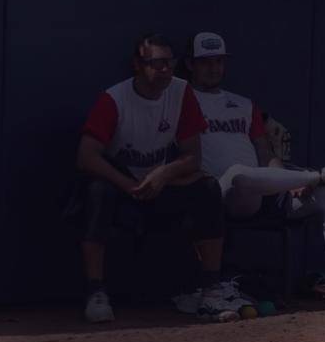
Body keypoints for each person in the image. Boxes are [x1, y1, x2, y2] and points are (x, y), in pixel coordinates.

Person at [184, 32, 325, 307]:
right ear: (190, 64)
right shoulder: (181, 100)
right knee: (238, 174)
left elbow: (265, 153)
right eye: (205, 62)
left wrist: (287, 181)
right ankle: (318, 175)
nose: (213, 68)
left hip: (265, 190)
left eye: (219, 61)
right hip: (222, 194)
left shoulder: (243, 104)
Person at [76, 33, 238, 323]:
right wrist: (128, 185)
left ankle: (211, 290)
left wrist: (163, 174)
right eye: (157, 63)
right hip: (122, 187)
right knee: (97, 191)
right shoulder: (114, 99)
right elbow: (86, 156)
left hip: (159, 187)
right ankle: (95, 292)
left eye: (169, 63)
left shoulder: (180, 91)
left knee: (208, 188)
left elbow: (192, 156)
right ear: (138, 65)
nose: (165, 69)